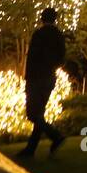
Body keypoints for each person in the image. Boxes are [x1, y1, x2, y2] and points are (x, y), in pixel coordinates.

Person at [18, 8, 66, 158]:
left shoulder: (39, 35)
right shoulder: (59, 35)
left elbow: (32, 58)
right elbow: (62, 58)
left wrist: (29, 77)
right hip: (49, 78)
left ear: (42, 18)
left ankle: (55, 135)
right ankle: (30, 149)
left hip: (36, 79)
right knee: (39, 114)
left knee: (32, 114)